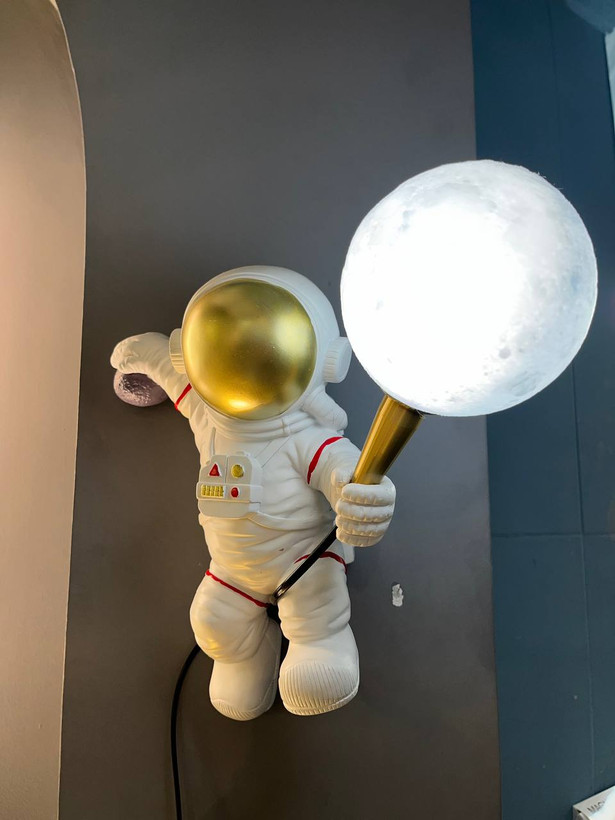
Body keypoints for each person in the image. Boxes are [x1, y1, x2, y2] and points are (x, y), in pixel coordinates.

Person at [111, 266, 395, 719]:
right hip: (231, 568)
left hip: (304, 559)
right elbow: (173, 373)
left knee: (317, 609)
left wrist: (363, 497)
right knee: (212, 623)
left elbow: (345, 471)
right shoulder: (211, 419)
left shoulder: (307, 438)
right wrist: (143, 353)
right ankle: (244, 656)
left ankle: (321, 647)